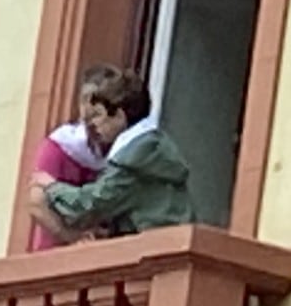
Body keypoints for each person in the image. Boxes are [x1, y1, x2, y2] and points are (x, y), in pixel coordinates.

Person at [27, 69, 193, 241]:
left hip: (152, 252)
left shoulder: (132, 163)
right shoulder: (153, 150)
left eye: (99, 114)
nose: (93, 123)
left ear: (120, 116)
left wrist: (52, 187)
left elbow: (89, 205)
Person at [25, 63, 116, 251]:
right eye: (86, 102)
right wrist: (72, 237)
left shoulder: (123, 152)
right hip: (55, 255)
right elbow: (36, 204)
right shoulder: (59, 146)